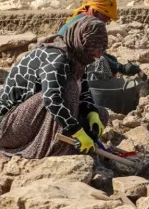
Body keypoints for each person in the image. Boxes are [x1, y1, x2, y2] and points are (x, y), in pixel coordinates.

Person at [0, 16, 110, 158]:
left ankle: (74, 146)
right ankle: (56, 152)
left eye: (99, 52)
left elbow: (84, 91)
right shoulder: (55, 57)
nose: (96, 55)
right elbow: (52, 99)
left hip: (31, 122)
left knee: (101, 114)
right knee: (68, 90)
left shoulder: (76, 59)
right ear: (80, 41)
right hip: (8, 128)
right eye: (93, 51)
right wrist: (76, 131)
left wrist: (91, 113)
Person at [58, 0, 140, 81]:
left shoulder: (83, 18)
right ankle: (99, 90)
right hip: (64, 64)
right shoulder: (88, 24)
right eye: (105, 18)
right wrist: (121, 68)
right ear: (95, 11)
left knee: (110, 59)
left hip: (68, 58)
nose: (106, 22)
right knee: (100, 63)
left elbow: (93, 51)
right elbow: (93, 54)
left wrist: (117, 65)